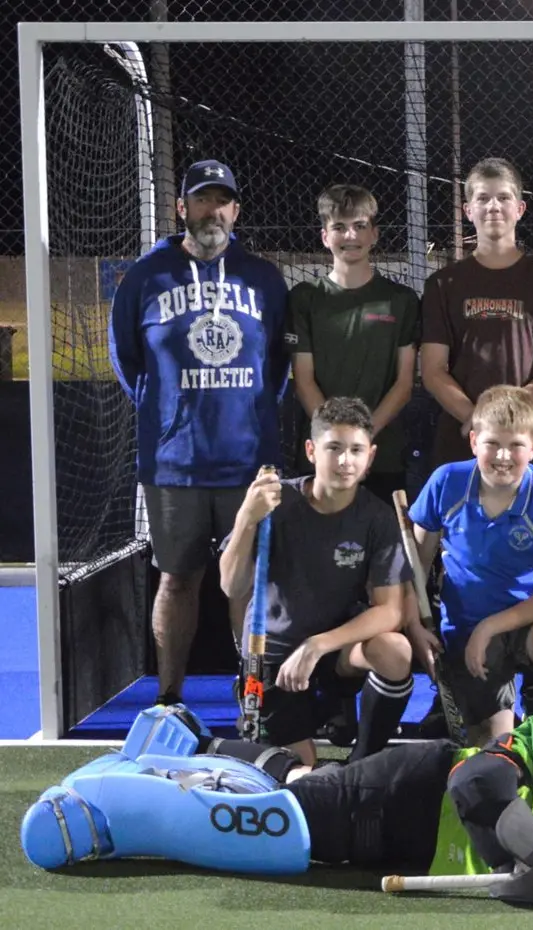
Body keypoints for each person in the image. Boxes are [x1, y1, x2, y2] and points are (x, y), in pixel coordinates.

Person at [29, 646, 533, 882]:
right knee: (275, 831)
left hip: (405, 847)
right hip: (410, 795)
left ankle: (182, 742)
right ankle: (107, 808)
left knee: (307, 783)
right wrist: (531, 847)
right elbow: (475, 782)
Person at [108, 158, 291, 707]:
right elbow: (126, 358)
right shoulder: (146, 275)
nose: (213, 211)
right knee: (178, 578)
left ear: (236, 210)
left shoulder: (263, 277)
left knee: (246, 581)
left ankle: (251, 693)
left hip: (248, 462)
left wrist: (249, 412)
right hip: (174, 464)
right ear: (181, 208)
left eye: (223, 201)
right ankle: (168, 696)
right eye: (202, 200)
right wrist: (167, 416)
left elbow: (279, 363)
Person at [218, 397, 414, 766]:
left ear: (370, 456)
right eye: (334, 448)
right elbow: (231, 585)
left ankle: (362, 761)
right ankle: (281, 718)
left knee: (395, 650)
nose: (345, 461)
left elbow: (390, 612)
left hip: (332, 650)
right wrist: (246, 517)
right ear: (311, 450)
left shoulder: (376, 517)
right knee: (300, 772)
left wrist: (317, 645)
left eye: (356, 450)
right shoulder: (276, 502)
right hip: (273, 657)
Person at [404, 386, 533, 744]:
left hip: (527, 622)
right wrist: (414, 625)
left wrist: (491, 626)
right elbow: (412, 568)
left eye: (516, 446)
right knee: (495, 747)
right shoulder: (447, 481)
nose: (503, 456)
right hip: (465, 628)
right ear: (474, 441)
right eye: (492, 443)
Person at [419, 157, 533, 477]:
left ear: (519, 209)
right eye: (483, 198)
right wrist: (479, 420)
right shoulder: (442, 284)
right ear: (468, 211)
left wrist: (508, 419)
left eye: (504, 197)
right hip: (462, 443)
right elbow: (433, 370)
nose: (494, 206)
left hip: (526, 448)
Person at [288, 184, 420, 503]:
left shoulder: (400, 300)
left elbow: (404, 385)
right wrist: (333, 442)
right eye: (339, 227)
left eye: (360, 226)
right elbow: (303, 381)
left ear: (374, 234)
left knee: (383, 550)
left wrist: (360, 441)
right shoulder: (304, 299)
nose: (350, 236)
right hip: (321, 456)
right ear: (325, 236)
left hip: (382, 456)